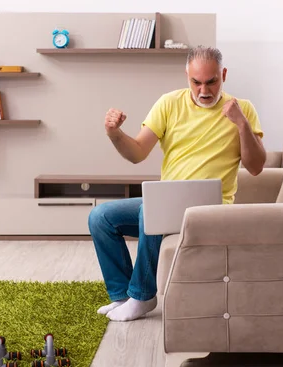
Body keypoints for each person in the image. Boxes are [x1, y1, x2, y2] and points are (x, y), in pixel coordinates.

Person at [88, 46, 266, 322]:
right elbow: (137, 153)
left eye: (211, 82)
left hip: (212, 209)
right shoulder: (169, 103)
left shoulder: (242, 110)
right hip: (169, 204)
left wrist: (241, 125)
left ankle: (142, 296)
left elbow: (256, 167)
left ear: (224, 75)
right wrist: (114, 133)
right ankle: (122, 295)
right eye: (196, 82)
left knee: (152, 212)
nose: (204, 91)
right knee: (101, 217)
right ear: (187, 76)